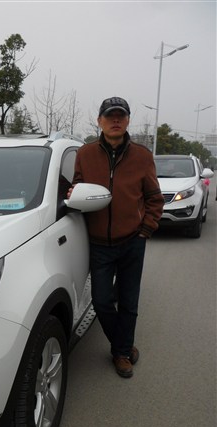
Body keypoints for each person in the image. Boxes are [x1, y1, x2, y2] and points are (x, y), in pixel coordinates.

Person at [68, 97, 164, 378]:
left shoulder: (142, 156)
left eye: (121, 116)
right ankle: (123, 345)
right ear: (100, 121)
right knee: (101, 302)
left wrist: (146, 230)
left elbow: (154, 198)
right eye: (110, 116)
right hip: (99, 244)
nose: (116, 120)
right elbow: (77, 187)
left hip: (132, 241)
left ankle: (121, 353)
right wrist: (73, 193)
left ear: (128, 121)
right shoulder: (85, 154)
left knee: (129, 302)